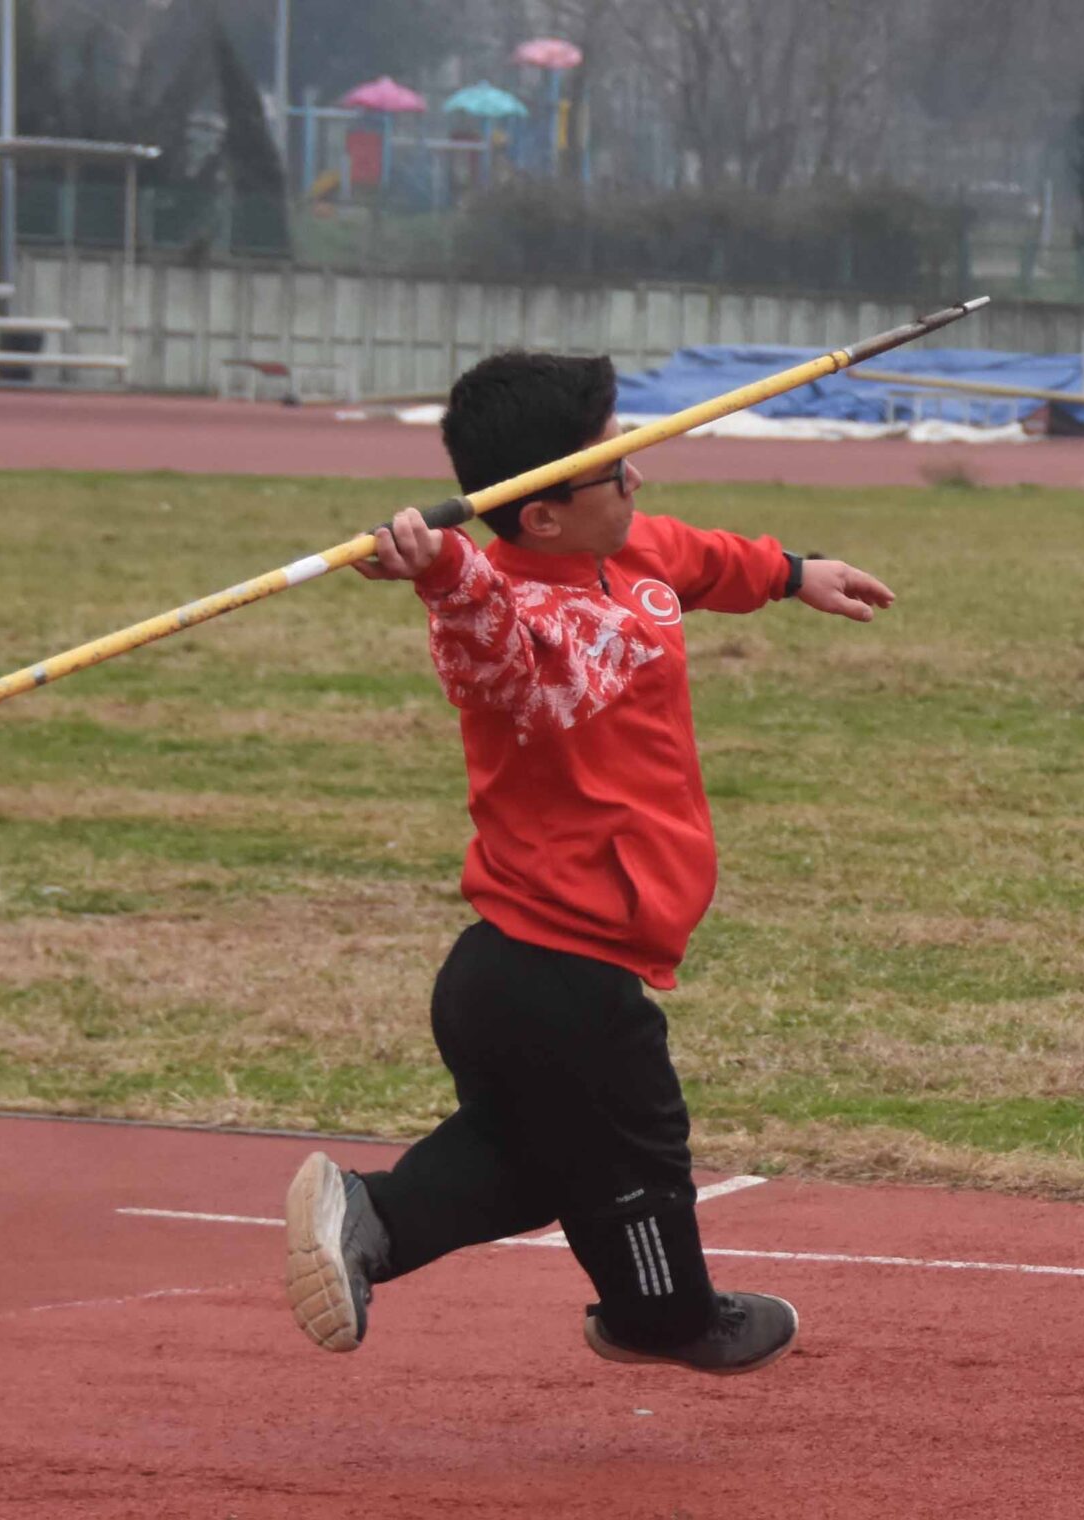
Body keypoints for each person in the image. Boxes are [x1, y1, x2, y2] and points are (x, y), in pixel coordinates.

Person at [282, 350, 896, 1375]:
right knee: (639, 1147)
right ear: (541, 516)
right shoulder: (523, 624)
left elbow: (697, 559)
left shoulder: (628, 553)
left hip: (516, 974)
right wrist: (441, 570)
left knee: (546, 1158)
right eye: (612, 466)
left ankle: (371, 1215)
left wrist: (794, 572)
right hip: (557, 970)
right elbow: (494, 642)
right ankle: (667, 1315)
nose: (635, 476)